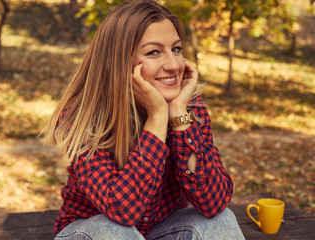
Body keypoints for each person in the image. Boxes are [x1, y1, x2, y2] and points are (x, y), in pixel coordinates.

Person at [41, 0, 245, 239]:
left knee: (220, 221)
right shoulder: (85, 115)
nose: (173, 65)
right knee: (114, 231)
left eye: (176, 49)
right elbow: (122, 210)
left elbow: (213, 201)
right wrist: (157, 116)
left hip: (158, 230)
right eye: (153, 52)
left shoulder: (190, 110)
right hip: (94, 233)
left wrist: (178, 114)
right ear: (120, 61)